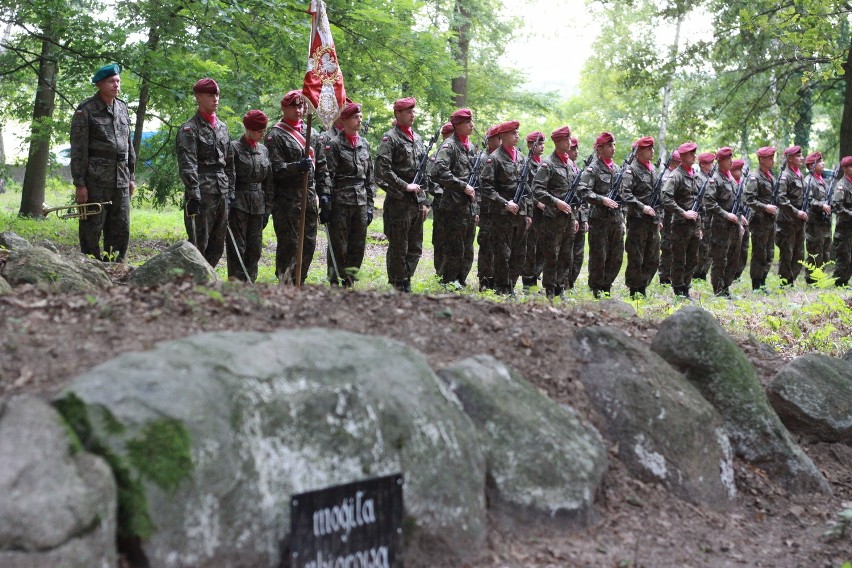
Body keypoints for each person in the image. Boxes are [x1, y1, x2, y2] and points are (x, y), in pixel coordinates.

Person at [70, 63, 136, 262]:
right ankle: (91, 268)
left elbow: (128, 146)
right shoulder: (86, 110)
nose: (116, 85)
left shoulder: (122, 108)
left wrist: (131, 177)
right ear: (99, 84)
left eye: (118, 81)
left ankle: (115, 268)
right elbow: (78, 150)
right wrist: (80, 183)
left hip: (121, 179)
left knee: (121, 228)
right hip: (95, 179)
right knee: (92, 227)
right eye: (111, 81)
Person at [265, 90, 330, 284]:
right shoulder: (275, 135)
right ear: (284, 108)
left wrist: (324, 194)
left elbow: (322, 167)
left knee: (309, 243)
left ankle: (300, 280)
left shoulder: (313, 134)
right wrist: (296, 167)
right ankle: (286, 281)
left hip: (309, 198)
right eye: (294, 106)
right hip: (287, 199)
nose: (298, 110)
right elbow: (274, 169)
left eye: (301, 106)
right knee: (289, 244)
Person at [176, 77, 234, 268]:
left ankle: (207, 284)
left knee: (217, 245)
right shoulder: (189, 128)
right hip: (202, 192)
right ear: (198, 97)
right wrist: (194, 195)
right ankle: (192, 284)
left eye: (217, 94)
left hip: (222, 192)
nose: (215, 99)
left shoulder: (222, 128)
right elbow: (188, 163)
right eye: (210, 95)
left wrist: (231, 191)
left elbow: (229, 162)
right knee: (198, 244)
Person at [375, 97, 430, 292]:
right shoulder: (390, 138)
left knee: (415, 246)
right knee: (399, 245)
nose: (412, 115)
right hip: (399, 201)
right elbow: (382, 169)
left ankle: (407, 277)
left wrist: (425, 201)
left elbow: (424, 171)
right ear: (398, 114)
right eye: (408, 111)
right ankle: (398, 283)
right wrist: (404, 186)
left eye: (413, 111)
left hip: (416, 202)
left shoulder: (418, 138)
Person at [324, 101, 374, 287]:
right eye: (355, 117)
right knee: (338, 243)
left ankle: (350, 278)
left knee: (358, 243)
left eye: (360, 116)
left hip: (360, 200)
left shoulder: (364, 144)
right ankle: (334, 278)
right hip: (341, 200)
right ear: (344, 120)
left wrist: (369, 204)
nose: (359, 120)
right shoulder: (334, 145)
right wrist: (327, 201)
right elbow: (328, 175)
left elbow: (369, 177)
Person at [480, 120, 531, 295]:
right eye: (512, 133)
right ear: (502, 136)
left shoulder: (523, 158)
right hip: (502, 214)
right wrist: (504, 203)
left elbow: (528, 187)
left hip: (521, 213)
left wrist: (529, 212)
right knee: (502, 253)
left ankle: (511, 285)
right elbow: (486, 187)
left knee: (519, 253)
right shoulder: (494, 158)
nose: (517, 136)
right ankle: (503, 288)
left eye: (517, 132)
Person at [433, 108, 479, 287]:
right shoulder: (449, 146)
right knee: (454, 246)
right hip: (453, 205)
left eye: (471, 121)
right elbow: (439, 171)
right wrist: (462, 185)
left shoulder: (470, 147)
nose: (472, 125)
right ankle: (450, 280)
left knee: (467, 247)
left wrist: (476, 207)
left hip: (468, 206)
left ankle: (461, 279)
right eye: (468, 122)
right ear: (458, 125)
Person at [226, 110, 272, 282]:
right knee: (237, 247)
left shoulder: (263, 150)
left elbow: (269, 181)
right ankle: (235, 283)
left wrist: (268, 207)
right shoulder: (234, 148)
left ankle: (250, 281)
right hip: (238, 203)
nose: (262, 134)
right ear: (249, 129)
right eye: (259, 130)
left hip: (258, 204)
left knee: (255, 248)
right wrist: (228, 200)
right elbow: (229, 175)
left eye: (264, 130)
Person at [531, 126, 576, 298]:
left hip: (568, 217)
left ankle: (560, 287)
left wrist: (577, 215)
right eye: (566, 140)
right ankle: (549, 288)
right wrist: (556, 202)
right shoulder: (548, 164)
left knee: (566, 255)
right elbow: (537, 189)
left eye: (570, 139)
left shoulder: (571, 164)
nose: (569, 142)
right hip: (552, 217)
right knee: (552, 255)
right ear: (557, 142)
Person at [578, 132, 624, 298]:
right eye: (609, 145)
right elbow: (583, 190)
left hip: (616, 220)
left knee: (616, 256)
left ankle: (607, 285)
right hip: (599, 219)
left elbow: (623, 194)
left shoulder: (618, 169)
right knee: (599, 256)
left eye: (614, 145)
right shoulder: (593, 169)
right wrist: (601, 199)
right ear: (600, 148)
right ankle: (597, 288)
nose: (613, 148)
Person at [620, 136, 660, 297]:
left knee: (653, 257)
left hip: (653, 221)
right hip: (637, 220)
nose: (652, 151)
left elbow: (658, 196)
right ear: (638, 152)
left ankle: (644, 284)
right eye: (648, 149)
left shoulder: (653, 170)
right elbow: (625, 193)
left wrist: (660, 216)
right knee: (637, 256)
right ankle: (635, 290)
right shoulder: (631, 170)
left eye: (652, 148)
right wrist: (642, 207)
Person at [661, 142, 701, 298]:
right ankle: (678, 289)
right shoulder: (675, 175)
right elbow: (666, 198)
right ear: (683, 156)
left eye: (694, 153)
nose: (694, 156)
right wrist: (683, 213)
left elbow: (699, 202)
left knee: (692, 258)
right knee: (679, 258)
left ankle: (686, 287)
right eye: (691, 153)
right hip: (679, 225)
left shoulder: (695, 175)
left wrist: (700, 226)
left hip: (694, 225)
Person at [705, 147, 741, 296]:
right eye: (728, 159)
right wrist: (726, 215)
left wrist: (739, 219)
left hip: (733, 226)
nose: (731, 161)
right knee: (720, 260)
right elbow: (709, 202)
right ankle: (718, 290)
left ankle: (726, 287)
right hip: (721, 226)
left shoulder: (731, 179)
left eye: (731, 158)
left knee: (733, 258)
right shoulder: (715, 180)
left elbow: (737, 202)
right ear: (720, 161)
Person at [744, 146, 779, 291]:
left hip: (770, 221)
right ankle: (756, 284)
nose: (772, 161)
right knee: (759, 253)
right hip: (759, 220)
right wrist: (765, 207)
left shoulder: (770, 176)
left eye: (773, 158)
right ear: (761, 159)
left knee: (769, 252)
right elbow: (749, 199)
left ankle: (763, 281)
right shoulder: (755, 177)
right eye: (770, 158)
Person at [775, 145, 808, 286]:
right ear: (789, 159)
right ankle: (784, 282)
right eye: (798, 156)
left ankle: (791, 279)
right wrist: (796, 212)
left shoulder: (799, 175)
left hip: (799, 222)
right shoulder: (785, 176)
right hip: (787, 221)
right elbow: (781, 199)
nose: (801, 158)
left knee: (799, 252)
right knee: (787, 252)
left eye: (801, 155)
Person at [476, 124, 502, 291]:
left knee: (498, 245)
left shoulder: (499, 158)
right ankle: (485, 279)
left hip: (498, 209)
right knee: (486, 245)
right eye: (497, 138)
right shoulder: (484, 159)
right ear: (489, 140)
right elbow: (479, 187)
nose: (500, 141)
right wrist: (478, 210)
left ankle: (494, 278)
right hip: (486, 209)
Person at [521, 131, 546, 289]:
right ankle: (528, 280)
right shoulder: (526, 163)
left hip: (545, 212)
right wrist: (537, 202)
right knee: (530, 247)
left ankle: (536, 276)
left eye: (543, 144)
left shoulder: (544, 163)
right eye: (539, 144)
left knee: (542, 246)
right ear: (530, 145)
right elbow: (526, 187)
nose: (542, 147)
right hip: (532, 210)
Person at [803, 152, 833, 282]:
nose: (823, 164)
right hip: (814, 223)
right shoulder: (808, 181)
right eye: (820, 162)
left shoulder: (823, 181)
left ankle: (820, 276)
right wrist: (821, 206)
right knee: (815, 251)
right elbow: (808, 199)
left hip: (824, 222)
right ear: (812, 166)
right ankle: (811, 279)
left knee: (825, 251)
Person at [430, 122, 455, 274]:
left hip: (457, 203)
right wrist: (444, 192)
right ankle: (440, 269)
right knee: (440, 238)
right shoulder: (436, 156)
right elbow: (430, 181)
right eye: (450, 134)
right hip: (441, 203)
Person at [658, 150, 681, 285]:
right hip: (667, 217)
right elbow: (664, 199)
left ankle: (672, 275)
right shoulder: (666, 177)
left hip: (676, 217)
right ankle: (664, 277)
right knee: (667, 247)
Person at [567, 136, 588, 289]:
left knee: (579, 253)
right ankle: (564, 283)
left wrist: (584, 218)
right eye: (573, 148)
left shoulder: (577, 168)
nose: (576, 152)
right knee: (567, 252)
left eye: (576, 149)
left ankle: (571, 281)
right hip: (569, 216)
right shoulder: (565, 167)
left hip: (580, 217)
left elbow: (583, 196)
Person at [693, 151, 716, 280]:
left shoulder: (710, 178)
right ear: (702, 164)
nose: (712, 165)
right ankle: (697, 274)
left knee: (709, 247)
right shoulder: (698, 178)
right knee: (701, 247)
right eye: (709, 163)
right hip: (703, 217)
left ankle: (703, 272)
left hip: (711, 217)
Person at [831, 156, 852, 287]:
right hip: (844, 228)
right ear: (845, 168)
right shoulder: (841, 186)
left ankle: (845, 281)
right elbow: (838, 207)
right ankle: (839, 282)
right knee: (843, 256)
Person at [730, 159, 750, 281]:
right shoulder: (731, 183)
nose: (741, 172)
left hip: (745, 220)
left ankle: (738, 274)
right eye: (738, 170)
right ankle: (731, 274)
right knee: (733, 249)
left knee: (744, 249)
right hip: (734, 221)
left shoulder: (742, 183)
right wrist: (738, 220)